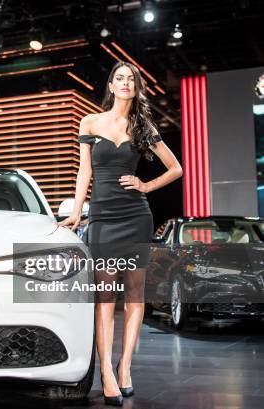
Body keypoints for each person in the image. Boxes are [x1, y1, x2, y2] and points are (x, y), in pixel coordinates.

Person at [59, 61, 183, 405]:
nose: (126, 82)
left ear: (136, 87)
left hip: (135, 216)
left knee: (134, 294)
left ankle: (124, 366)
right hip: (102, 218)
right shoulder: (90, 121)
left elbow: (176, 168)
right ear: (111, 86)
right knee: (106, 296)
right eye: (119, 78)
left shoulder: (143, 126)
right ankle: (106, 372)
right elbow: (84, 173)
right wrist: (75, 213)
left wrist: (146, 185)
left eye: (131, 79)